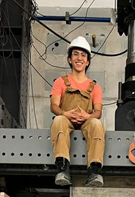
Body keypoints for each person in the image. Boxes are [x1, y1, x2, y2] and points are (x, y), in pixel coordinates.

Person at [50, 36, 105, 187]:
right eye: (75, 54)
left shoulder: (95, 87)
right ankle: (63, 169)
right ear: (69, 59)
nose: (79, 58)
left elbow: (98, 111)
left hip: (85, 121)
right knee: (58, 120)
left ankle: (94, 171)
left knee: (97, 124)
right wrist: (65, 114)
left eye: (83, 55)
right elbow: (54, 106)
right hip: (66, 119)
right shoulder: (60, 82)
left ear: (87, 61)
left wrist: (88, 116)